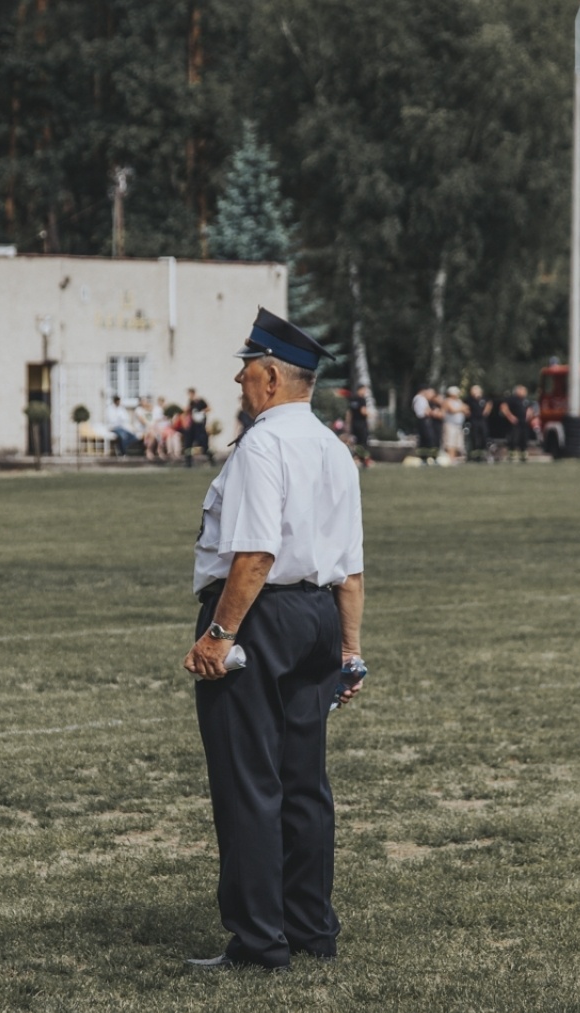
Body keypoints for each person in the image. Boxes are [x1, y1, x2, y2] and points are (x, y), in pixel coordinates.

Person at [182, 307, 364, 973]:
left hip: (259, 618)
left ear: (270, 376)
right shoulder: (333, 448)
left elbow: (255, 554)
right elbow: (351, 566)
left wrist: (218, 634)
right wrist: (349, 650)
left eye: (246, 369)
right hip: (317, 616)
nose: (238, 380)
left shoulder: (262, 445)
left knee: (248, 781)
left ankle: (259, 942)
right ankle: (310, 926)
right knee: (303, 782)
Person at [184, 387, 212, 467]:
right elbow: (187, 412)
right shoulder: (191, 403)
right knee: (188, 444)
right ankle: (188, 462)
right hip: (192, 427)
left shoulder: (200, 401)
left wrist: (202, 412)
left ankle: (211, 459)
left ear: (193, 393)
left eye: (190, 394)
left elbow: (209, 408)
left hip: (200, 427)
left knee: (204, 444)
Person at [500, 386, 530, 460]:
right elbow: (503, 407)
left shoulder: (525, 400)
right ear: (518, 391)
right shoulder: (512, 399)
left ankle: (523, 456)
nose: (525, 392)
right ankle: (511, 455)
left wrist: (528, 416)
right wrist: (510, 417)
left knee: (524, 439)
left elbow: (529, 409)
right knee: (513, 439)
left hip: (523, 423)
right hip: (514, 423)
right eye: (523, 390)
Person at [347, 385, 373, 467]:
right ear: (360, 390)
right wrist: (371, 414)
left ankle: (356, 458)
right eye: (364, 390)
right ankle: (364, 460)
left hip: (354, 424)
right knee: (363, 442)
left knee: (356, 442)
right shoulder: (362, 399)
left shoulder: (352, 399)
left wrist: (348, 424)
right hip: (361, 424)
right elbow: (363, 411)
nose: (365, 392)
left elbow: (349, 413)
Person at [441, 387, 467, 460]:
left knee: (458, 443)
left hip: (458, 425)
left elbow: (466, 409)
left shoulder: (459, 401)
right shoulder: (447, 401)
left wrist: (461, 409)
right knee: (450, 442)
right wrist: (461, 409)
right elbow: (452, 410)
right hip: (450, 424)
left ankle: (455, 458)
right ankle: (450, 458)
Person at [465, 385, 489, 460]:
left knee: (484, 435)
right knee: (475, 437)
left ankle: (483, 454)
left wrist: (486, 411)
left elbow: (489, 404)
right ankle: (475, 455)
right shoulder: (469, 399)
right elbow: (465, 407)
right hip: (474, 420)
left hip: (482, 420)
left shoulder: (483, 399)